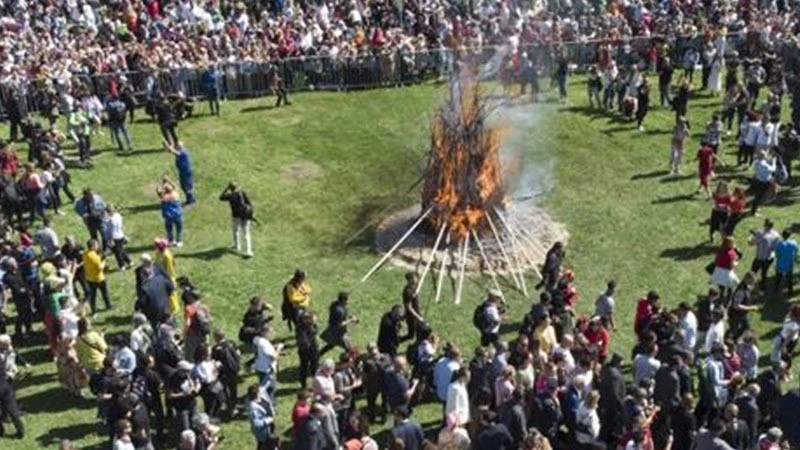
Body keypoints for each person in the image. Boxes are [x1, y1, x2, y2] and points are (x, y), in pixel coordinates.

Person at [219, 182, 254, 257]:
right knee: (246, 232)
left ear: (231, 189)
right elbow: (249, 204)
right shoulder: (242, 193)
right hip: (246, 215)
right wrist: (250, 215)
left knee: (236, 231)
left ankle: (237, 246)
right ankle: (249, 251)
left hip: (236, 216)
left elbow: (221, 197)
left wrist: (226, 188)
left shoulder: (231, 195)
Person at [0, 334, 23, 438]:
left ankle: (1, 431)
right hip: (5, 384)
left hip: (5, 381)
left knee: (9, 406)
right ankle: (20, 430)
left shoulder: (7, 351)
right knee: (12, 408)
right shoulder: (7, 351)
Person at [319, 291, 355, 357]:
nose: (349, 301)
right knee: (350, 348)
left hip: (332, 330)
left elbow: (344, 312)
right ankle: (349, 362)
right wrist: (351, 320)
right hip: (338, 333)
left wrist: (349, 316)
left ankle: (317, 356)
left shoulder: (335, 304)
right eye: (348, 299)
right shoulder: (339, 311)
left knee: (331, 345)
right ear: (344, 300)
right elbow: (340, 324)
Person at [749, 218, 780, 290]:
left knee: (752, 272)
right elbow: (775, 247)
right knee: (764, 273)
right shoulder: (776, 234)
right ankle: (763, 287)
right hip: (768, 259)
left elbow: (751, 243)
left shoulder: (760, 234)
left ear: (765, 224)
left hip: (759, 258)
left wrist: (751, 236)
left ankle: (748, 285)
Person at [83, 239, 112, 315]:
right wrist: (104, 261)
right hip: (98, 278)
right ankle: (108, 305)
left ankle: (94, 310)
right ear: (92, 246)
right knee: (105, 292)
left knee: (93, 295)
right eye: (96, 245)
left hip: (89, 278)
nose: (98, 246)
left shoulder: (85, 254)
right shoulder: (94, 256)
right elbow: (100, 267)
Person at [165, 141, 196, 207]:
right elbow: (173, 152)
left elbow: (175, 153)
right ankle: (189, 199)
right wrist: (168, 148)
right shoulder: (179, 152)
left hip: (186, 172)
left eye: (178, 146)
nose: (177, 147)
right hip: (182, 172)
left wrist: (169, 148)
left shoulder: (183, 152)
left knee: (187, 187)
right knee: (184, 186)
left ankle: (191, 200)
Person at [247, 384, 276, 450]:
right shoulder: (253, 409)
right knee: (263, 444)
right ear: (256, 394)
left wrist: (272, 411)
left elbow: (268, 403)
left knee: (271, 442)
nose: (261, 392)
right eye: (259, 392)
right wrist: (268, 420)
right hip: (263, 431)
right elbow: (256, 423)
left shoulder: (261, 398)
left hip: (270, 426)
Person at [157, 178, 184, 247]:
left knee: (169, 229)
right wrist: (169, 180)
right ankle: (179, 241)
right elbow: (175, 186)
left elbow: (158, 190)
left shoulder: (164, 197)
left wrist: (161, 183)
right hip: (177, 215)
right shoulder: (175, 195)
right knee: (179, 228)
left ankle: (170, 240)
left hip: (168, 216)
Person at [104, 205, 132, 271]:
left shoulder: (110, 220)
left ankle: (122, 266)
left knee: (117, 253)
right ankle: (129, 262)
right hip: (120, 235)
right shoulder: (118, 215)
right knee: (121, 250)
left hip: (115, 238)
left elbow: (110, 230)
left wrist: (110, 240)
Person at [773, 230, 798, 298]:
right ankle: (790, 293)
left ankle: (775, 290)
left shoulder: (779, 244)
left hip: (780, 264)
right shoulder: (793, 243)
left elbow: (776, 254)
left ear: (782, 235)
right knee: (789, 280)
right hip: (789, 264)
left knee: (778, 278)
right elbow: (796, 250)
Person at [402, 272, 424, 341]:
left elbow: (420, 279)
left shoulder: (413, 287)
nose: (417, 279)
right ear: (410, 280)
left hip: (416, 313)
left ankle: (417, 344)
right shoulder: (408, 292)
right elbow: (409, 307)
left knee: (419, 331)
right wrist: (418, 317)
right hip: (411, 316)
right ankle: (397, 340)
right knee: (411, 335)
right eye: (415, 278)